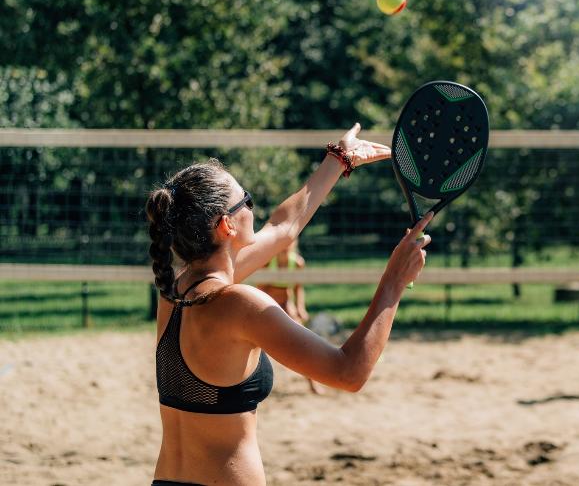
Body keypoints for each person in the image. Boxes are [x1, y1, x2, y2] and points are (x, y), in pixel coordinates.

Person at [146, 123, 433, 486]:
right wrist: (393, 282)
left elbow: (284, 227)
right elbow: (348, 373)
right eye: (246, 201)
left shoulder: (176, 291)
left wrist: (339, 159)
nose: (253, 207)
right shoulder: (238, 303)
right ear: (226, 226)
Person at [257, 239, 321, 393]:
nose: (285, 247)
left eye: (289, 243)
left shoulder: (297, 263)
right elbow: (260, 291)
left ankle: (312, 383)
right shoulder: (267, 262)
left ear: (294, 244)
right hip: (266, 305)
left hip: (286, 304)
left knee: (303, 343)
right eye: (283, 243)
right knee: (255, 343)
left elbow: (298, 289)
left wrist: (300, 307)